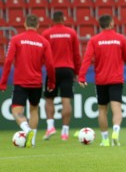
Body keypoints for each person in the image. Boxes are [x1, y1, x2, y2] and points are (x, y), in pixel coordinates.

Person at [0, 14, 56, 148]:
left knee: (16, 112)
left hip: (21, 82)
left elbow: (8, 61)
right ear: (37, 26)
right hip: (36, 82)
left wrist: (3, 81)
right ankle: (33, 140)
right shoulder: (43, 42)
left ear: (25, 24)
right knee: (34, 110)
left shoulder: (16, 39)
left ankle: (27, 130)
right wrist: (51, 82)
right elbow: (50, 65)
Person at [78, 15, 126, 147]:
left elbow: (87, 58)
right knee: (117, 108)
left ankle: (105, 139)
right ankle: (116, 132)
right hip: (116, 79)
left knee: (102, 109)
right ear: (112, 23)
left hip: (101, 80)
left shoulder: (94, 40)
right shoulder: (120, 38)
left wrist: (82, 76)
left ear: (100, 25)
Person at [41, 11, 82, 141]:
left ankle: (50, 127)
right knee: (66, 101)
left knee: (49, 100)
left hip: (52, 70)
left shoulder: (46, 33)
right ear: (63, 19)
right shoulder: (71, 33)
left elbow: (42, 54)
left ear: (52, 20)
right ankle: (65, 132)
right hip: (67, 69)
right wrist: (77, 72)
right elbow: (76, 54)